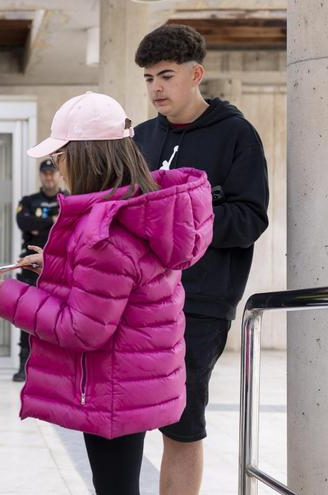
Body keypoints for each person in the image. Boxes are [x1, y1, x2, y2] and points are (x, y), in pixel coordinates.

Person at [0, 92, 214, 494]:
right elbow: (119, 289)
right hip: (133, 379)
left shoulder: (106, 233)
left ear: (83, 158)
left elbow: (83, 328)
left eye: (60, 157)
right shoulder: (137, 208)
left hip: (112, 385)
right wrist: (54, 267)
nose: (57, 169)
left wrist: (7, 296)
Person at [133, 24, 269, 495]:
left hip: (200, 305)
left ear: (196, 74)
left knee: (181, 423)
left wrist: (187, 214)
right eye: (149, 78)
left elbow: (251, 218)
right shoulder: (143, 137)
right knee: (126, 418)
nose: (155, 88)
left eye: (166, 76)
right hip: (137, 299)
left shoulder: (236, 135)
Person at [11, 158, 65, 382]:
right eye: (45, 173)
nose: (49, 177)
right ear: (41, 175)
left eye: (52, 172)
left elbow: (72, 225)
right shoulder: (29, 201)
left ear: (58, 174)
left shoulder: (69, 199)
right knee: (28, 316)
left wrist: (41, 225)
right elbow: (24, 223)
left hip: (60, 268)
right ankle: (25, 364)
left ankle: (54, 366)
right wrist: (53, 221)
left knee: (56, 318)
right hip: (30, 268)